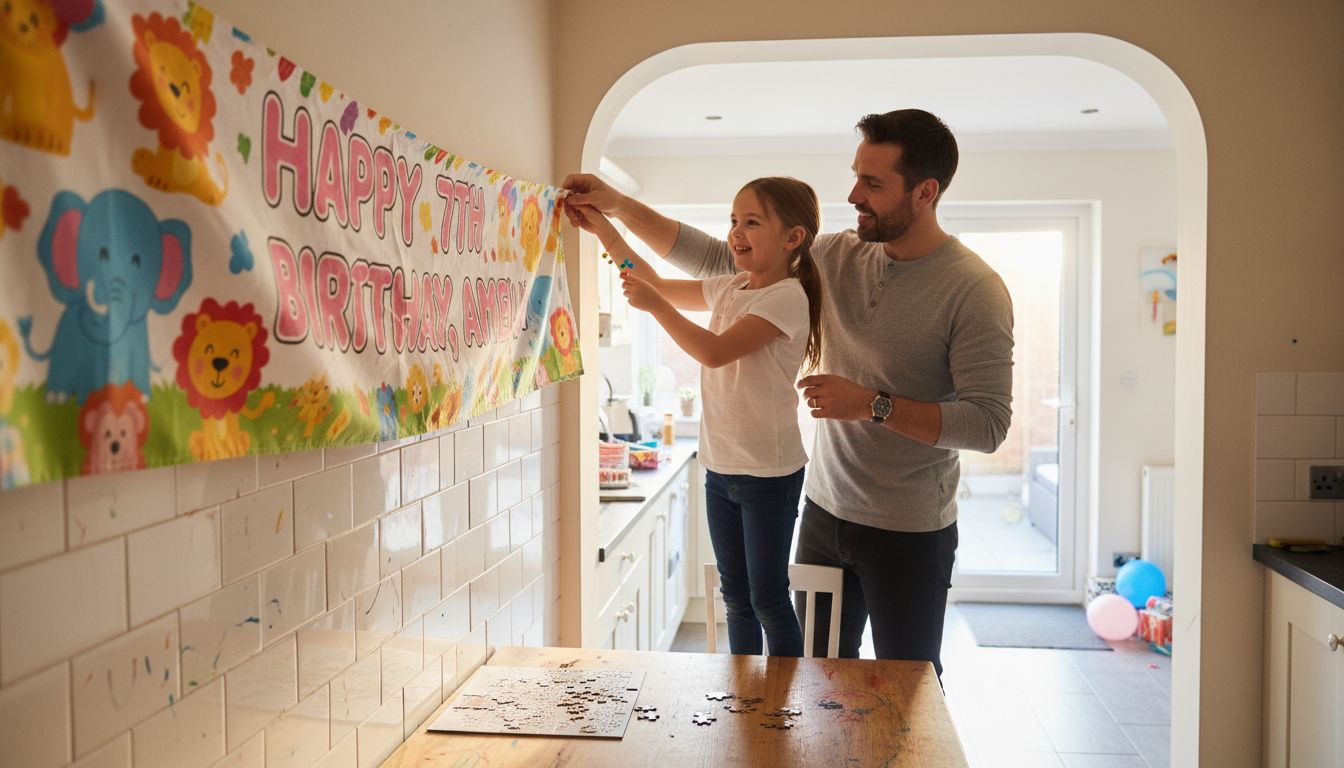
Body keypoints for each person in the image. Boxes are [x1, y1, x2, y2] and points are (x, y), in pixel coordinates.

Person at [564, 109, 1014, 676]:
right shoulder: (835, 255)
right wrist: (618, 207)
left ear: (925, 191)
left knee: (908, 689)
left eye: (873, 184)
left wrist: (870, 404)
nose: (853, 194)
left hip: (909, 529)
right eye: (856, 176)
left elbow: (988, 424)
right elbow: (715, 259)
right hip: (824, 511)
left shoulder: (973, 288)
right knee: (817, 686)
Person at [571, 177, 824, 657]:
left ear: (793, 238)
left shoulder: (786, 297)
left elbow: (713, 352)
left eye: (752, 222)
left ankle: (785, 710)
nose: (736, 232)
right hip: (720, 467)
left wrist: (657, 306)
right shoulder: (732, 286)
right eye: (733, 221)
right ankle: (747, 702)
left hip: (768, 475)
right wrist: (603, 227)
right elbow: (651, 282)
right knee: (736, 599)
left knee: (768, 599)